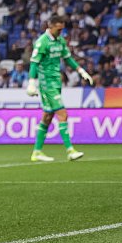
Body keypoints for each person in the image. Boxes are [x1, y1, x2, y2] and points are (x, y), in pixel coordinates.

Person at [26, 15, 93, 162]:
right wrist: (31, 82)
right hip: (47, 84)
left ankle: (37, 152)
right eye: (58, 29)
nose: (61, 32)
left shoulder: (60, 41)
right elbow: (34, 63)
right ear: (50, 26)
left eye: (62, 29)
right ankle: (70, 150)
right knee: (63, 114)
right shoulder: (42, 42)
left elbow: (67, 58)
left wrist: (81, 71)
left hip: (57, 83)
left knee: (47, 117)